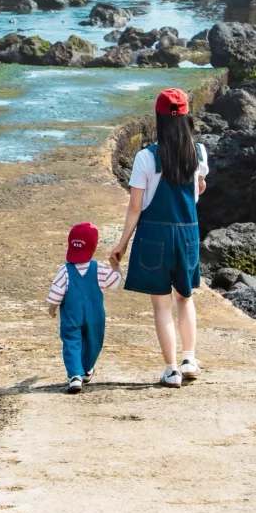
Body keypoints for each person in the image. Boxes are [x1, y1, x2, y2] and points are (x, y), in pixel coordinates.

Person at [109, 87, 208, 388]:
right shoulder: (199, 152)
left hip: (155, 235)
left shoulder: (146, 158)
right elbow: (198, 190)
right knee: (185, 297)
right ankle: (189, 358)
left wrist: (122, 244)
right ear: (186, 116)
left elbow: (136, 207)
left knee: (162, 305)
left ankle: (171, 369)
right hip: (188, 233)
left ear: (159, 117)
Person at [46, 221, 121, 393]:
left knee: (72, 342)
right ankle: (86, 369)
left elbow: (56, 291)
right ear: (94, 247)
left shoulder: (64, 270)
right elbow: (115, 281)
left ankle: (74, 376)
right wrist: (116, 266)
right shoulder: (99, 268)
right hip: (95, 316)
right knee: (94, 341)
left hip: (72, 315)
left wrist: (52, 308)